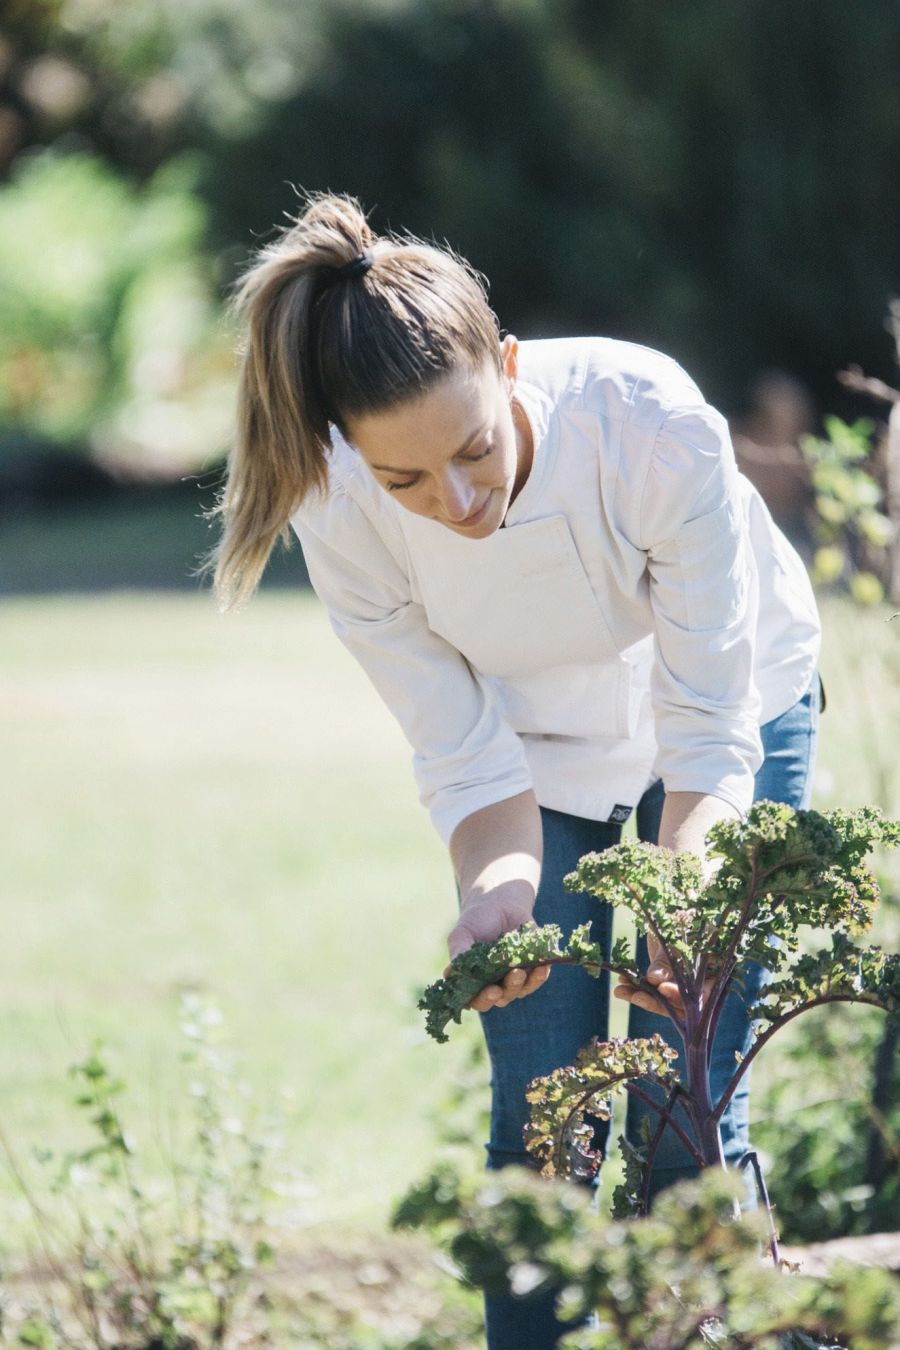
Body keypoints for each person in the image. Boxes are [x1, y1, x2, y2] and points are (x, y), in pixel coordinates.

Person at [209, 191, 821, 1349]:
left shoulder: (650, 424)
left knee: (687, 1098)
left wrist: (680, 905)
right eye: (407, 482)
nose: (457, 502)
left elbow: (705, 729)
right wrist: (497, 897)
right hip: (539, 757)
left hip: (730, 710)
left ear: (508, 363)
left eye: (474, 449)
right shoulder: (338, 509)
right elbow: (463, 756)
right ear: (350, 452)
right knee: (541, 1126)